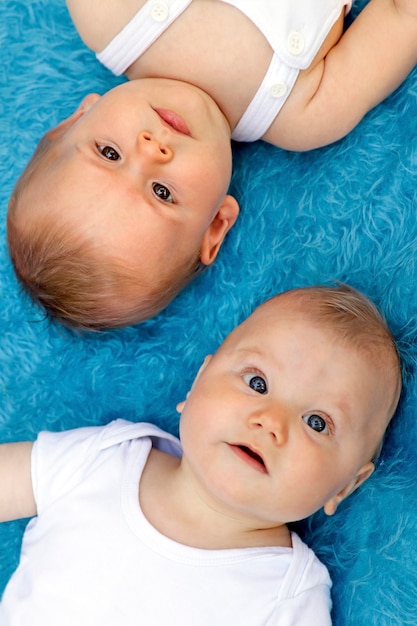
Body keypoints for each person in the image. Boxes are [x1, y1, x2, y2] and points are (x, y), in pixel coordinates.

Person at [0, 284, 402, 624]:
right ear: (196, 385)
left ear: (345, 486)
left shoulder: (288, 594)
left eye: (317, 422)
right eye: (257, 383)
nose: (270, 421)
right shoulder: (104, 458)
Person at [7, 0, 417, 330]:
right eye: (162, 192)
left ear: (76, 119)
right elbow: (402, 16)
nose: (151, 151)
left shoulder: (107, 14)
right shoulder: (306, 116)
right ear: (216, 223)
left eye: (108, 153)